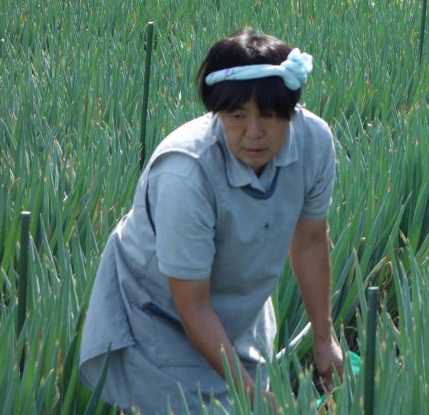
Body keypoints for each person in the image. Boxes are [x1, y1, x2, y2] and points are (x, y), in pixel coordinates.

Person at [79, 28, 343, 413]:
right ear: (217, 112)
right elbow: (193, 306)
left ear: (291, 113)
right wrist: (250, 394)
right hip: (157, 310)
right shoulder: (186, 175)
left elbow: (309, 242)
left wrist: (325, 339)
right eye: (237, 116)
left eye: (269, 115)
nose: (254, 133)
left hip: (238, 301)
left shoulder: (314, 142)